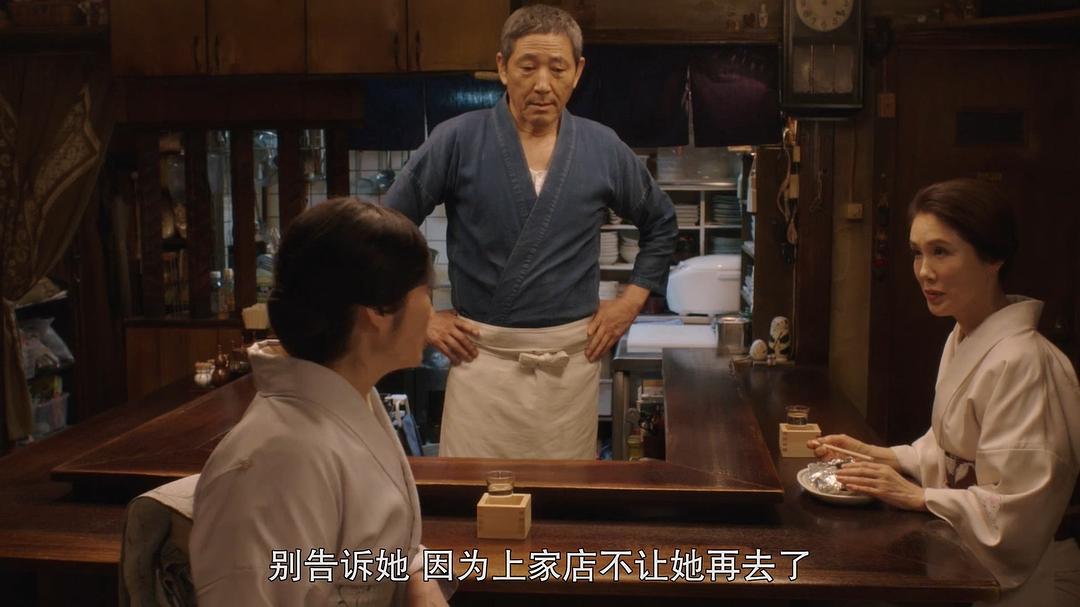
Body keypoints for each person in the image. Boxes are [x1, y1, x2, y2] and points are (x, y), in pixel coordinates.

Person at [386, 4, 677, 460]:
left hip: (569, 370)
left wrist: (629, 304)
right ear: (503, 67)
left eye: (557, 68)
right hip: (481, 363)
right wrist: (422, 314)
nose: (543, 84)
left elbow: (661, 223)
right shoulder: (456, 140)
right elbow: (384, 228)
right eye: (528, 67)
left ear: (577, 72)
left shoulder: (602, 147)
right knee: (474, 498)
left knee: (562, 499)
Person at [808, 178, 1080, 605]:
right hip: (964, 564)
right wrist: (881, 456)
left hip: (1029, 584)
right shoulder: (963, 336)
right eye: (917, 253)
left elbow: (1020, 508)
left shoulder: (1026, 361)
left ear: (993, 258)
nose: (924, 271)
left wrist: (919, 496)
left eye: (941, 252)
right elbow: (953, 448)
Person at [190, 198, 447, 606]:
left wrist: (418, 577)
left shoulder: (354, 399)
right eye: (426, 292)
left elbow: (376, 549)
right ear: (378, 311)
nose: (433, 312)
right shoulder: (273, 460)